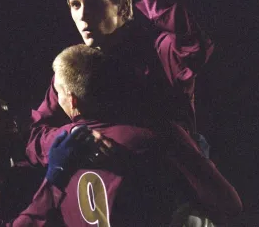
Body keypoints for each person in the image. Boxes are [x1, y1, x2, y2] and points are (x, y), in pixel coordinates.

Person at [27, 45, 242, 226]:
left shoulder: (60, 153)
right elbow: (230, 203)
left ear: (72, 100)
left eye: (58, 92)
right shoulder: (154, 135)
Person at [32, 0, 214, 143]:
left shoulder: (160, 51)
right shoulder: (74, 66)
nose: (83, 15)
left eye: (93, 3)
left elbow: (195, 43)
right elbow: (36, 135)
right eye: (75, 5)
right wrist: (74, 136)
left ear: (123, 5)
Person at [0, 91, 105, 226]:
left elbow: (46, 111)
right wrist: (54, 181)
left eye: (8, 113)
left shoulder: (23, 171)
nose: (12, 122)